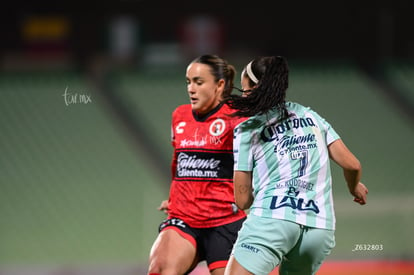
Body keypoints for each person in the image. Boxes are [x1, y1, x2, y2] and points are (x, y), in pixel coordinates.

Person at [223, 56, 369, 275]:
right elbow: (353, 165)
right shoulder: (311, 116)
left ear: (256, 89)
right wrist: (354, 187)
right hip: (320, 228)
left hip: (272, 218)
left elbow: (242, 200)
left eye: (245, 90)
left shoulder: (247, 129)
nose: (243, 96)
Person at [148, 54, 247, 275]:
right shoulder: (180, 116)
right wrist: (174, 198)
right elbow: (178, 162)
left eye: (198, 82)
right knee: (160, 269)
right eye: (188, 82)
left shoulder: (237, 119)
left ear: (220, 85)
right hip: (184, 218)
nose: (191, 89)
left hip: (225, 222)